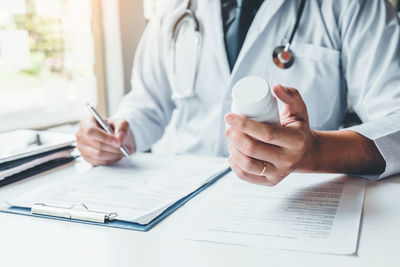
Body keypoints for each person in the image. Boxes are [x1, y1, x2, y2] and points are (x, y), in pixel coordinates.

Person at [76, 0, 400, 186]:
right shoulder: (175, 7)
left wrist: (316, 151)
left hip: (294, 196)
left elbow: (395, 122)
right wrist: (117, 134)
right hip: (179, 197)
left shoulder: (355, 5)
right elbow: (148, 102)